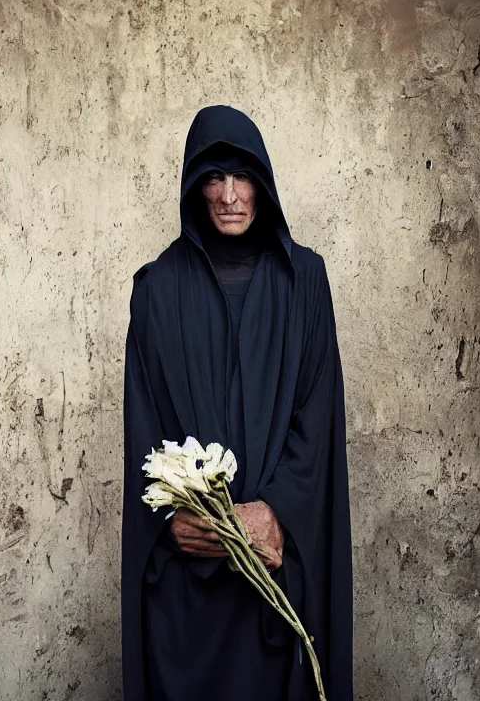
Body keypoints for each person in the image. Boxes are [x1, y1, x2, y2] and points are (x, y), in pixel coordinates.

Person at [122, 105, 353, 701]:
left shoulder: (306, 281)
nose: (228, 195)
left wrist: (276, 511)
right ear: (194, 186)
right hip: (188, 587)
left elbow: (318, 415)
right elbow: (143, 425)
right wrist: (174, 522)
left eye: (242, 177)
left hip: (279, 567)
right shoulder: (156, 290)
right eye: (214, 178)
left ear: (264, 183)